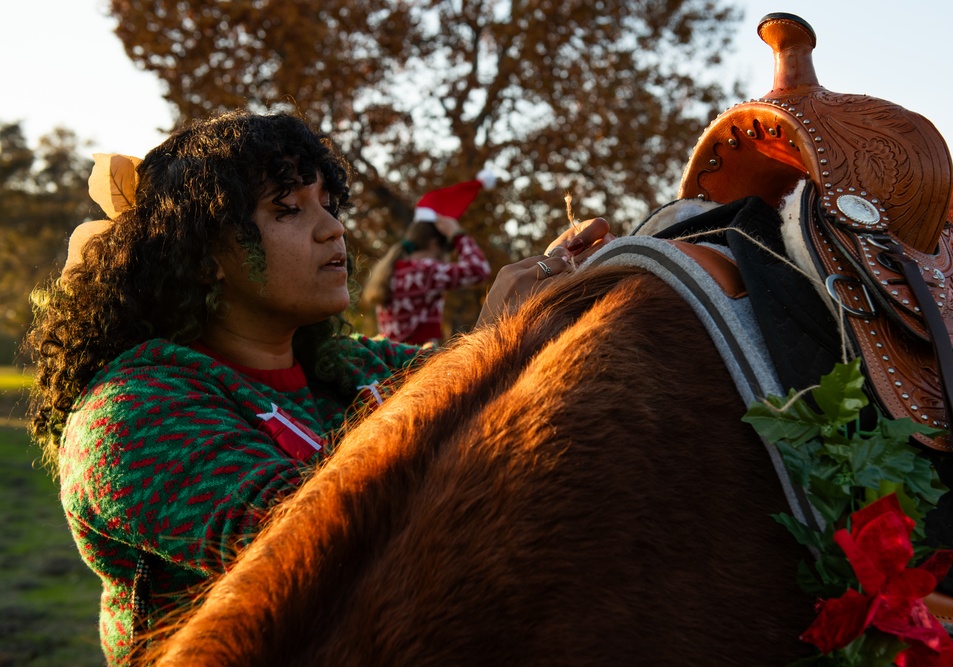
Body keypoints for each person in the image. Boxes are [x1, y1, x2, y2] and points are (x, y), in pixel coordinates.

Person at [24, 110, 611, 666]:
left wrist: (573, 313)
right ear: (205, 257)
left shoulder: (355, 367)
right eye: (288, 209)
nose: (334, 230)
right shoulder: (128, 415)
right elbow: (328, 554)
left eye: (329, 205)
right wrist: (491, 347)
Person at [360, 172, 494, 345]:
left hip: (391, 360)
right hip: (416, 363)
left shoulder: (393, 269)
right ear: (433, 244)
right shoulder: (425, 271)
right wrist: (457, 234)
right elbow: (480, 270)